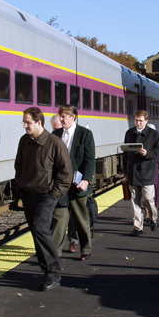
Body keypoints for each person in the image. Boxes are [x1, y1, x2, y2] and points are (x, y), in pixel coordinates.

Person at [15, 107, 72, 290]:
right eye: (24, 122)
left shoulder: (55, 143)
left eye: (28, 122)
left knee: (40, 229)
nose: (24, 126)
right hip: (29, 194)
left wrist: (54, 194)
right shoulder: (24, 141)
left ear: (39, 122)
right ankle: (46, 271)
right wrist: (21, 187)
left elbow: (66, 173)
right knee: (36, 232)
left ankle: (54, 273)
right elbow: (19, 166)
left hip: (46, 195)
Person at [50, 105, 96, 261]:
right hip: (60, 184)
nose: (61, 119)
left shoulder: (85, 134)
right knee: (59, 218)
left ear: (73, 117)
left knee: (80, 217)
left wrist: (86, 180)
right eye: (60, 116)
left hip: (78, 184)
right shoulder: (55, 134)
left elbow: (90, 160)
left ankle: (86, 249)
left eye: (64, 116)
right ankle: (56, 253)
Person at [123, 110, 159, 236]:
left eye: (140, 121)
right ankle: (137, 227)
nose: (138, 123)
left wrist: (148, 153)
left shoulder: (153, 134)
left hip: (147, 171)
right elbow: (125, 153)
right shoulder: (129, 133)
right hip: (132, 171)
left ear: (146, 121)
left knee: (147, 198)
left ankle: (153, 217)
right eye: (136, 120)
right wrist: (125, 170)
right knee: (135, 200)